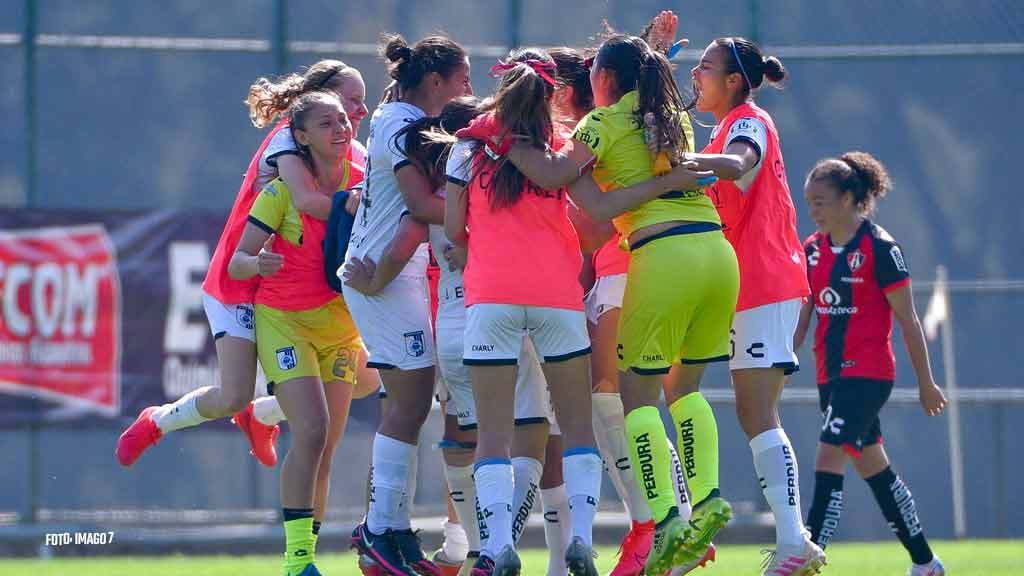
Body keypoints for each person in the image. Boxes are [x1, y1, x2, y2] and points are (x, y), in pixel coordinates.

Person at [497, 33, 731, 575]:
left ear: (585, 84)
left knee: (629, 399)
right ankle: (706, 500)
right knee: (682, 393)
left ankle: (663, 523)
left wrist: (504, 141)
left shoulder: (591, 127)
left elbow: (582, 198)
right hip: (713, 251)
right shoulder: (668, 114)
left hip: (653, 259)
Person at [116, 60, 378, 470]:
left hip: (295, 293)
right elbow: (310, 203)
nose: (359, 113)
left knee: (367, 380)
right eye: (352, 101)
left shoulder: (355, 154)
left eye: (361, 105)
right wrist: (368, 212)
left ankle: (264, 413)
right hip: (241, 278)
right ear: (314, 105)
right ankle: (157, 421)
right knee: (233, 394)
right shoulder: (286, 143)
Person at [685, 37, 824, 574]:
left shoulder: (748, 122)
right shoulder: (722, 125)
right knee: (737, 406)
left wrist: (681, 161)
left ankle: (794, 541)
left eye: (706, 67)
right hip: (740, 286)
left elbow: (740, 164)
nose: (697, 74)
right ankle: (790, 539)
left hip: (765, 281)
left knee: (757, 411)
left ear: (735, 81)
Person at [346, 32, 472, 576]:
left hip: (393, 275)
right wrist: (489, 209)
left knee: (414, 405)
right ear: (437, 82)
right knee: (409, 404)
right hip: (379, 277)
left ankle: (392, 530)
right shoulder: (400, 124)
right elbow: (419, 205)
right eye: (463, 78)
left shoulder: (397, 116)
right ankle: (379, 530)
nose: (468, 86)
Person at [228, 91, 364, 576]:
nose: (342, 129)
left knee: (326, 447)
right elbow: (237, 260)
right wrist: (257, 261)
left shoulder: (364, 183)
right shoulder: (281, 193)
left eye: (344, 120)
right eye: (327, 123)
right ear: (301, 138)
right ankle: (298, 561)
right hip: (285, 322)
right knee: (311, 432)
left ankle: (307, 553)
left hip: (342, 330)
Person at [796, 151, 947, 576]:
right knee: (874, 469)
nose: (813, 212)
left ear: (847, 199)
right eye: (809, 204)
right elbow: (806, 311)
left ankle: (809, 555)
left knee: (828, 455)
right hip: (831, 375)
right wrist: (786, 352)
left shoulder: (881, 249)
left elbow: (909, 320)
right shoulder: (812, 250)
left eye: (820, 202)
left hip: (868, 374)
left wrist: (927, 383)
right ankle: (926, 563)